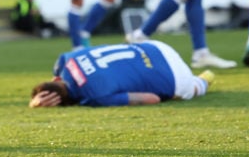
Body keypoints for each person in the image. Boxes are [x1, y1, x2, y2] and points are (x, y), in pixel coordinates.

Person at [29, 41, 214, 108]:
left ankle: (205, 79)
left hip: (175, 76)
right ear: (56, 79)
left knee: (189, 89)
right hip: (154, 46)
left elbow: (152, 98)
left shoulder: (94, 96)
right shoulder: (66, 59)